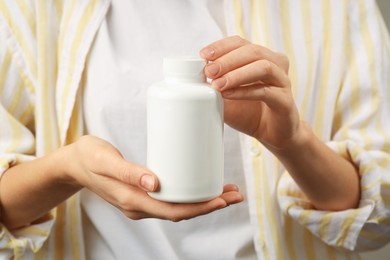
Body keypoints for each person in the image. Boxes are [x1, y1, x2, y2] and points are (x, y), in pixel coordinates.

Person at [0, 0, 389, 259]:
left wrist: (291, 140)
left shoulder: (335, 8)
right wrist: (69, 168)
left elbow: (377, 223)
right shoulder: (31, 9)